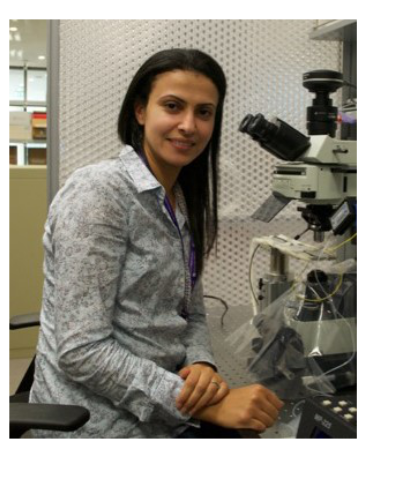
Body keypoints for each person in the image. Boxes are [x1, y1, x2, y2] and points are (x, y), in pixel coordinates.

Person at [30, 48, 283, 439]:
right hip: (99, 420)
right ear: (140, 111)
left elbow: (191, 312)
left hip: (166, 404)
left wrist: (202, 364)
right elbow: (81, 351)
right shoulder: (100, 193)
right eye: (172, 106)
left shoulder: (179, 199)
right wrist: (201, 401)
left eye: (204, 112)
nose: (189, 125)